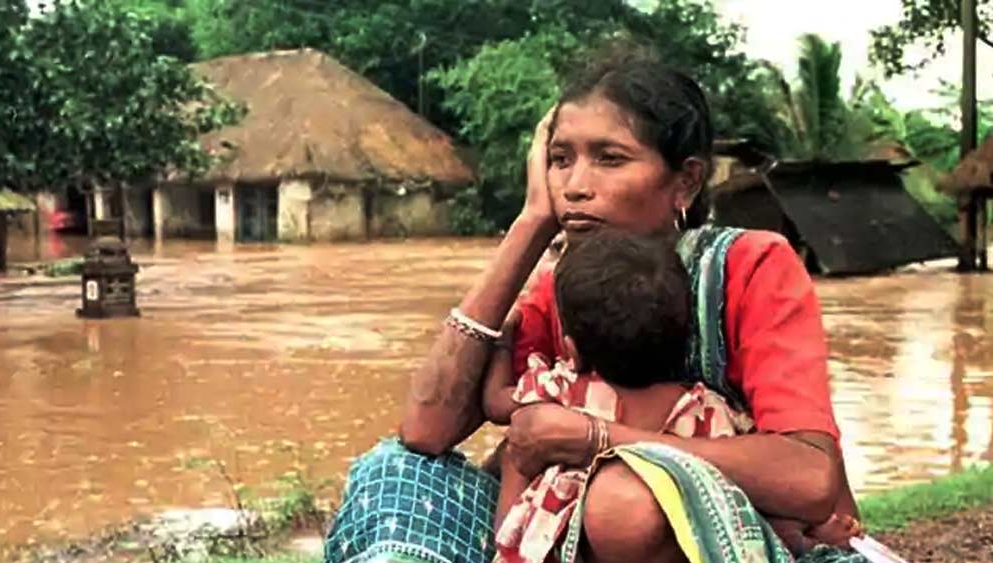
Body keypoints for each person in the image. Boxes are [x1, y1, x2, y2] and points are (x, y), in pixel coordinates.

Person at [325, 46, 865, 563]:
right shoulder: (563, 284)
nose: (575, 186)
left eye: (610, 159)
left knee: (621, 502)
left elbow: (811, 479)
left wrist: (598, 439)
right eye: (561, 160)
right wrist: (531, 223)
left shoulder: (749, 268)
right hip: (571, 534)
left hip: (725, 539)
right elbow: (426, 430)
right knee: (393, 471)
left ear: (686, 181)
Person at [486, 230, 861, 563]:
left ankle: (508, 548)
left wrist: (503, 343)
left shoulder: (560, 389)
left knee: (516, 455)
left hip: (559, 538)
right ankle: (799, 544)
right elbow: (758, 496)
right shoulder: (705, 411)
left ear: (571, 349)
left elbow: (496, 403)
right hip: (666, 539)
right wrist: (803, 532)